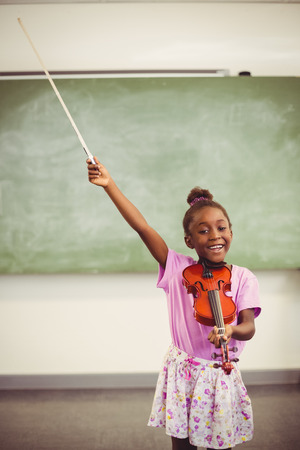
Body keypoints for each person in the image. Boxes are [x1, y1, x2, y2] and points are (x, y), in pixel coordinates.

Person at [86, 157, 261, 450]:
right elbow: (142, 228)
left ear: (231, 231)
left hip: (220, 374)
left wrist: (229, 332)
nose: (215, 236)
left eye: (221, 228)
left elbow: (248, 327)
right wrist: (109, 185)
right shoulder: (178, 269)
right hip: (184, 372)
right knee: (182, 446)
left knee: (223, 444)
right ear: (189, 240)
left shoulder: (243, 278)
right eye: (203, 230)